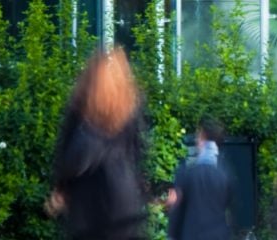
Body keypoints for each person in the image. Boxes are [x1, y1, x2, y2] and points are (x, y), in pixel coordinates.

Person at [48, 47, 147, 240]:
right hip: (125, 208)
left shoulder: (80, 113)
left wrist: (61, 188)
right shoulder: (130, 112)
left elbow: (69, 159)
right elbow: (138, 155)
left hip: (89, 213)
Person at [168, 117, 231, 240]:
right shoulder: (225, 175)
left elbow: (176, 213)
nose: (196, 139)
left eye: (198, 135)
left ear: (202, 137)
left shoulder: (186, 174)